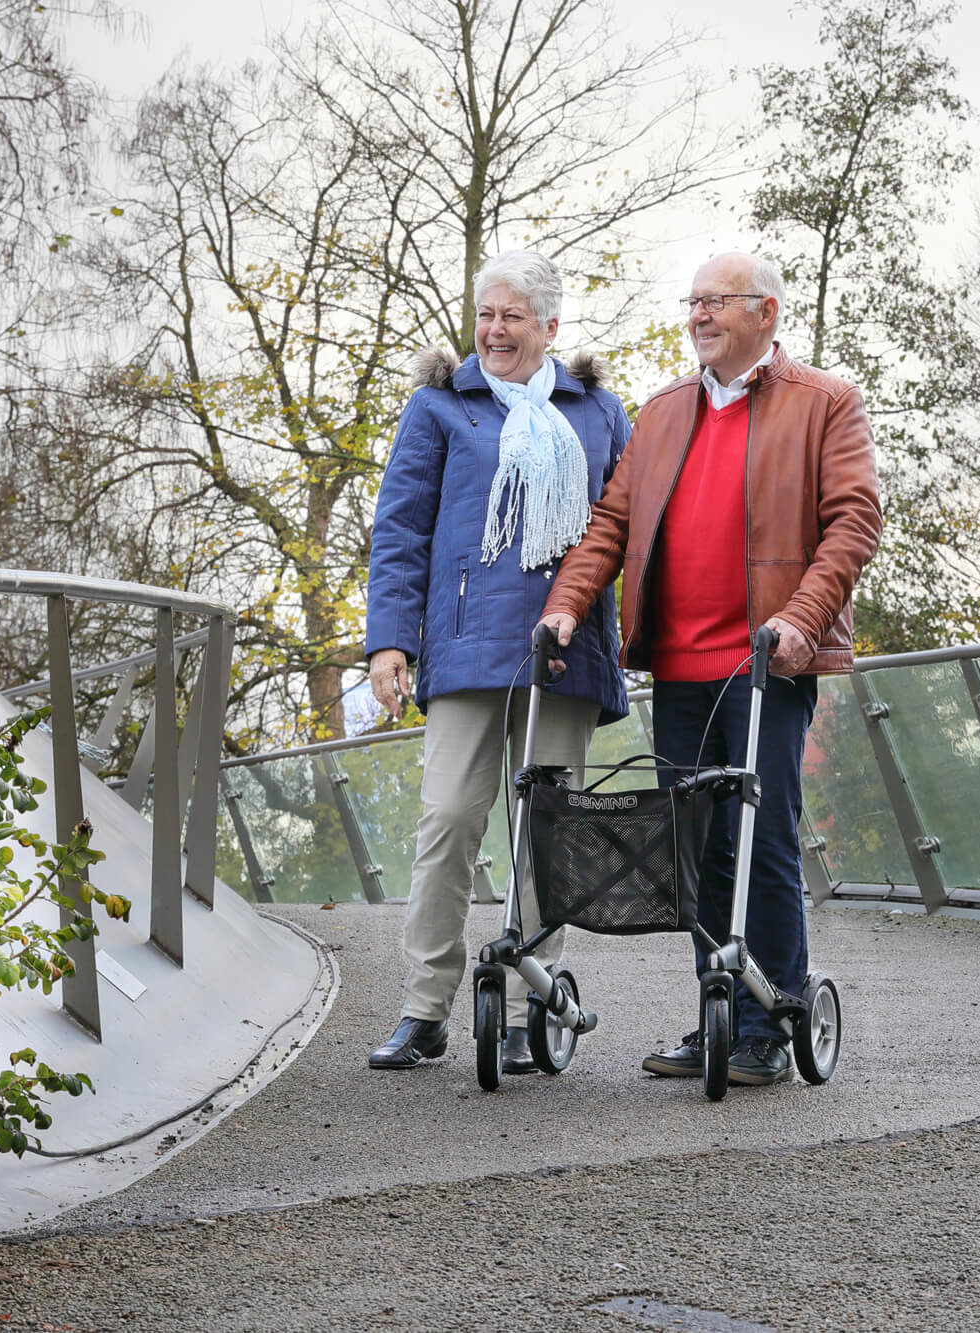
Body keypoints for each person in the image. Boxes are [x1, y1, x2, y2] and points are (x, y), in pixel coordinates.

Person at [537, 250, 880, 1086]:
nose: (698, 315)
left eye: (716, 301)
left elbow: (854, 521)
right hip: (681, 668)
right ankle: (720, 1010)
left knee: (762, 839)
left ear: (765, 312)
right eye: (693, 301)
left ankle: (770, 1022)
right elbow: (611, 525)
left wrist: (801, 619)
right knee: (697, 850)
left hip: (767, 665)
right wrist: (567, 604)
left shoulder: (825, 402)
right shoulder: (663, 413)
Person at [364, 250, 631, 1073]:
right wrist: (389, 640)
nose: (495, 330)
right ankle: (424, 1008)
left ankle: (526, 1009)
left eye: (513, 316)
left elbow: (628, 528)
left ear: (550, 326)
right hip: (464, 650)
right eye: (486, 314)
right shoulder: (440, 406)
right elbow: (401, 528)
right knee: (447, 820)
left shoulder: (599, 412)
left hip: (564, 655)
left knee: (544, 838)